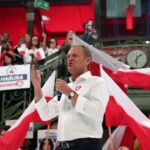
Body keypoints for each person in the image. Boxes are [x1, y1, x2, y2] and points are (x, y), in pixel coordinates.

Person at [31, 45, 109, 150]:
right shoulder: (67, 87)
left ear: (88, 60)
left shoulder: (96, 82)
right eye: (68, 56)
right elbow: (45, 114)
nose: (70, 59)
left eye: (75, 56)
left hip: (85, 146)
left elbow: (97, 111)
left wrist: (70, 93)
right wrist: (37, 87)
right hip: (61, 146)